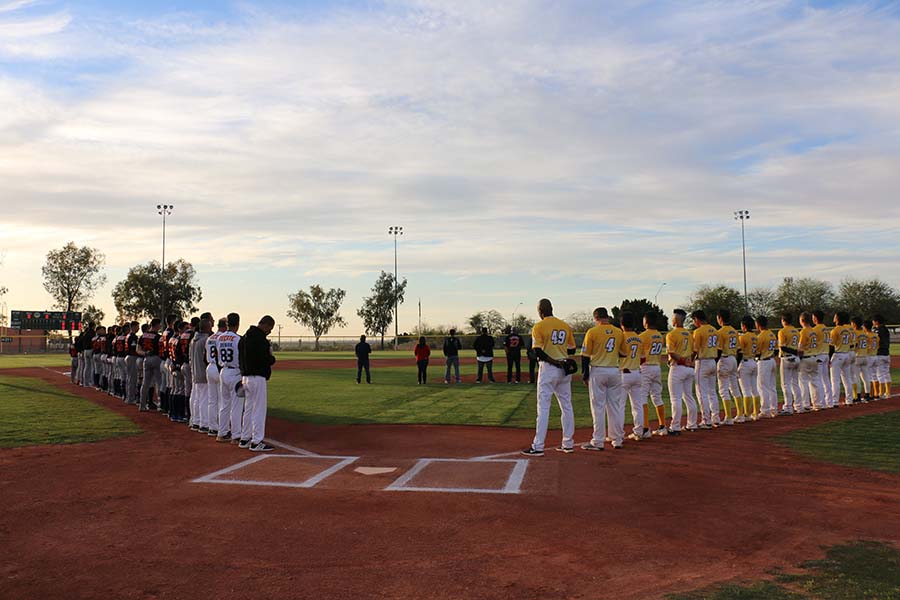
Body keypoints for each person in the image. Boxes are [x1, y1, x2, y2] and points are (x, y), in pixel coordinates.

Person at [522, 299, 576, 456]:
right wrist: (561, 359)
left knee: (544, 407)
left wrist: (554, 361)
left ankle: (538, 446)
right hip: (564, 369)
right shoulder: (565, 326)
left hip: (549, 369)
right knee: (566, 405)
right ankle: (568, 443)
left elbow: (538, 352)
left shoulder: (539, 326)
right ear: (552, 308)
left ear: (541, 311)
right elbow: (571, 350)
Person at [580, 307, 625, 450]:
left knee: (598, 407)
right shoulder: (619, 332)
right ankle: (617, 439)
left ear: (596, 318)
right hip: (614, 370)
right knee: (614, 407)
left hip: (598, 370)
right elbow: (623, 353)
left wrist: (585, 374)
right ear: (608, 317)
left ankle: (598, 441)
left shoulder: (592, 332)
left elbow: (585, 355)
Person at [238, 315, 276, 452]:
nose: (269, 331)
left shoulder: (244, 338)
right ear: (265, 325)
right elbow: (265, 359)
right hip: (257, 377)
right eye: (270, 328)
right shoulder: (261, 340)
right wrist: (272, 358)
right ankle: (256, 441)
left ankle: (244, 438)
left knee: (248, 409)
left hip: (245, 377)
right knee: (259, 409)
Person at [666, 309, 697, 434]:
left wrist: (683, 361)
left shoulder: (671, 334)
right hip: (689, 369)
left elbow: (672, 353)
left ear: (675, 320)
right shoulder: (689, 333)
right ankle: (692, 424)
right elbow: (694, 351)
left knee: (676, 398)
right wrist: (689, 361)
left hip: (678, 368)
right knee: (689, 397)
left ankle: (675, 426)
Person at [620, 313, 647, 442]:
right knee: (637, 405)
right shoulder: (638, 338)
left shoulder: (621, 336)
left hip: (624, 373)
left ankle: (618, 434)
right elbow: (643, 358)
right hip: (637, 373)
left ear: (622, 324)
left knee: (620, 406)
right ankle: (639, 431)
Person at [639, 313, 667, 435]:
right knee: (657, 396)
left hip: (646, 367)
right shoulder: (660, 336)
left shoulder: (642, 336)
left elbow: (641, 358)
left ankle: (645, 428)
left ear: (646, 322)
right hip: (656, 366)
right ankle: (662, 426)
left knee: (642, 397)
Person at [691, 310, 719, 428]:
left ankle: (706, 420)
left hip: (702, 362)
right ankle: (715, 417)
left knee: (701, 393)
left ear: (697, 319)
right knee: (712, 392)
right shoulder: (714, 329)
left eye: (693, 320)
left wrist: (689, 361)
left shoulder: (698, 331)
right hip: (713, 361)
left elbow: (695, 350)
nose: (693, 323)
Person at [217, 313, 242, 443]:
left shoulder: (219, 338)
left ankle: (222, 432)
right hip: (235, 372)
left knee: (224, 404)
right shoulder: (238, 338)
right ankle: (236, 435)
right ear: (238, 323)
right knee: (236, 405)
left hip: (223, 371)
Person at [716, 309, 741, 425]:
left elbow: (719, 350)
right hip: (733, 358)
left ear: (720, 318)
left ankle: (729, 417)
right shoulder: (735, 331)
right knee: (735, 388)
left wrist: (715, 362)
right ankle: (740, 415)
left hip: (724, 359)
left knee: (723, 390)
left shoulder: (720, 332)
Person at [797, 311, 825, 411]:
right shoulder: (813, 331)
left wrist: (798, 358)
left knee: (803, 381)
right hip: (814, 356)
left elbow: (800, 348)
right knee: (815, 381)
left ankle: (806, 404)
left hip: (806, 357)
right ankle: (818, 403)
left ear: (802, 320)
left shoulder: (803, 331)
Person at [205, 318, 227, 437]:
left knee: (212, 400)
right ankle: (221, 427)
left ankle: (212, 427)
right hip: (218, 367)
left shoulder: (210, 338)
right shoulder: (222, 338)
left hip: (209, 366)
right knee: (221, 400)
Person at [777, 313, 803, 415]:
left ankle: (788, 407)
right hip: (796, 359)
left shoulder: (782, 331)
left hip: (787, 358)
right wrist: (796, 353)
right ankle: (799, 406)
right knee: (795, 383)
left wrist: (793, 352)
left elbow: (782, 347)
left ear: (783, 320)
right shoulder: (796, 331)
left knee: (785, 384)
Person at [737, 316, 760, 420]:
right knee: (754, 389)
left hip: (745, 362)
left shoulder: (743, 337)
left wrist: (736, 366)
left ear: (744, 326)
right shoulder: (756, 336)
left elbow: (740, 353)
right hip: (754, 362)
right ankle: (756, 412)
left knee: (746, 390)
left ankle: (747, 414)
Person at [830, 312, 854, 406]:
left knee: (835, 380)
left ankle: (835, 401)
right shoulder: (848, 330)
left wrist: (829, 358)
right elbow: (851, 344)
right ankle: (849, 400)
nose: (834, 319)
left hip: (838, 355)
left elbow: (831, 347)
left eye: (835, 317)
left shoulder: (835, 330)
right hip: (847, 354)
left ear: (838, 319)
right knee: (847, 379)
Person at [137, 318, 162, 412]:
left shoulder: (143, 336)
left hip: (146, 358)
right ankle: (161, 404)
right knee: (159, 383)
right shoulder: (158, 337)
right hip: (156, 358)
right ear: (156, 325)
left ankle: (142, 404)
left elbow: (138, 349)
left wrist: (145, 353)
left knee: (145, 383)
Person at [756, 316, 778, 418]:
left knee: (762, 386)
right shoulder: (772, 334)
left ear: (758, 324)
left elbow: (757, 352)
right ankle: (774, 408)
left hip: (764, 361)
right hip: (772, 360)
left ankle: (765, 410)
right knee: (772, 386)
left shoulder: (761, 336)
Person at [813, 310, 835, 408]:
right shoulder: (827, 329)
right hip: (826, 354)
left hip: (819, 355)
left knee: (819, 380)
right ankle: (829, 402)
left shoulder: (815, 329)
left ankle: (821, 403)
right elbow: (831, 346)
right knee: (826, 379)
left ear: (815, 318)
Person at [873, 315, 891, 399]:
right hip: (886, 353)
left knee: (880, 374)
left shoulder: (877, 330)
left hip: (879, 353)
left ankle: (881, 393)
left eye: (874, 321)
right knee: (886, 373)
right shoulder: (886, 329)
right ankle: (888, 392)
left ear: (876, 321)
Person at [125, 321, 140, 406]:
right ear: (134, 327)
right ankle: (130, 398)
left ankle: (129, 397)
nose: (138, 328)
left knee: (130, 378)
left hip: (128, 357)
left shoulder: (128, 335)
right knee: (132, 378)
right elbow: (134, 348)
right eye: (137, 326)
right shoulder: (132, 336)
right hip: (132, 357)